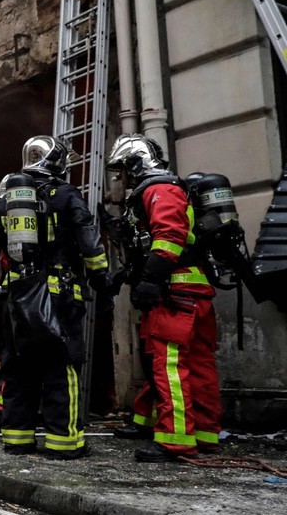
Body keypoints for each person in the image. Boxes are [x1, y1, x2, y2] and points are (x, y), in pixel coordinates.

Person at [0, 136, 111, 460]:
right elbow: (88, 238)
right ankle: (65, 444)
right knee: (62, 368)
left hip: (16, 300)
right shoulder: (66, 195)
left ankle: (17, 440)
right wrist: (101, 276)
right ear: (57, 161)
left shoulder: (6, 202)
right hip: (58, 295)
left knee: (19, 370)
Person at [105, 134, 220, 462]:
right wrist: (126, 276)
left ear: (134, 164)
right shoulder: (164, 189)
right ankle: (204, 434)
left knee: (171, 365)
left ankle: (175, 440)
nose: (121, 179)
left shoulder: (158, 189)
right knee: (197, 364)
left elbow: (169, 237)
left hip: (175, 293)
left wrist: (153, 280)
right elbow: (147, 246)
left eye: (122, 171)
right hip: (191, 290)